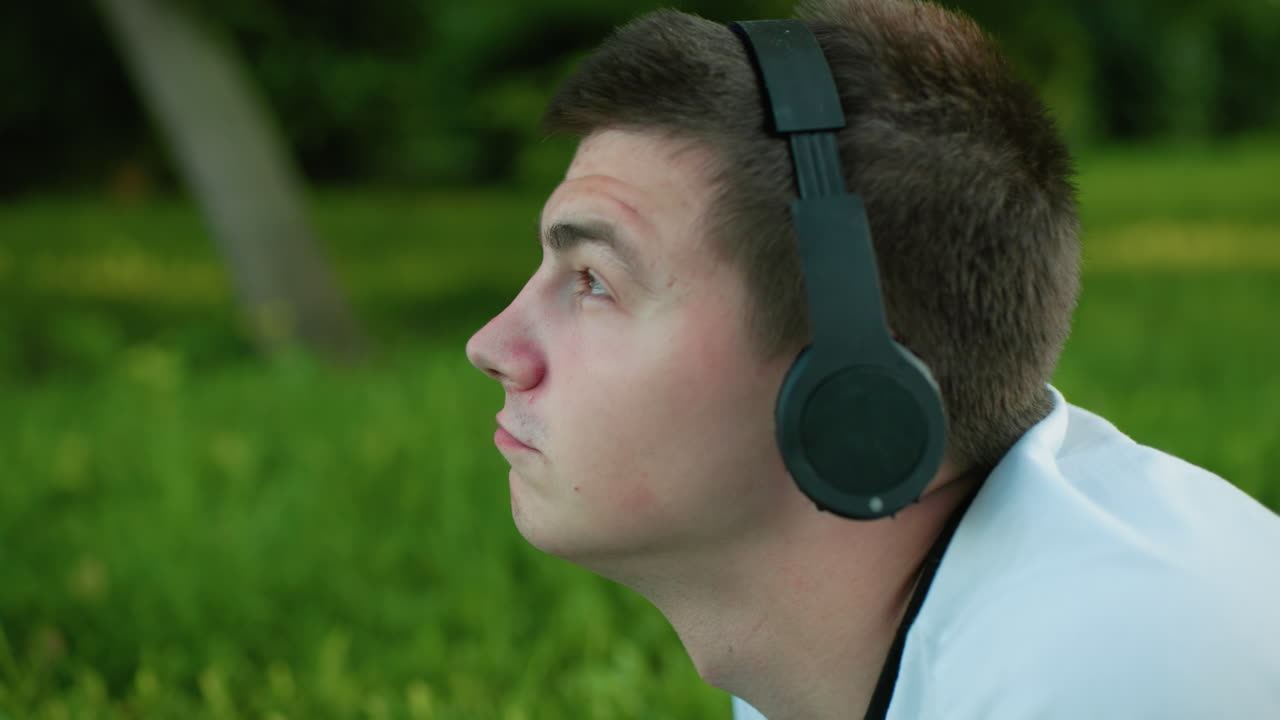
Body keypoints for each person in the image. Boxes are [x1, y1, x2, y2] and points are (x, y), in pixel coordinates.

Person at [464, 0, 1280, 717]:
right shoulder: (843, 659)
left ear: (851, 384)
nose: (492, 347)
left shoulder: (1100, 674)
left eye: (594, 283)